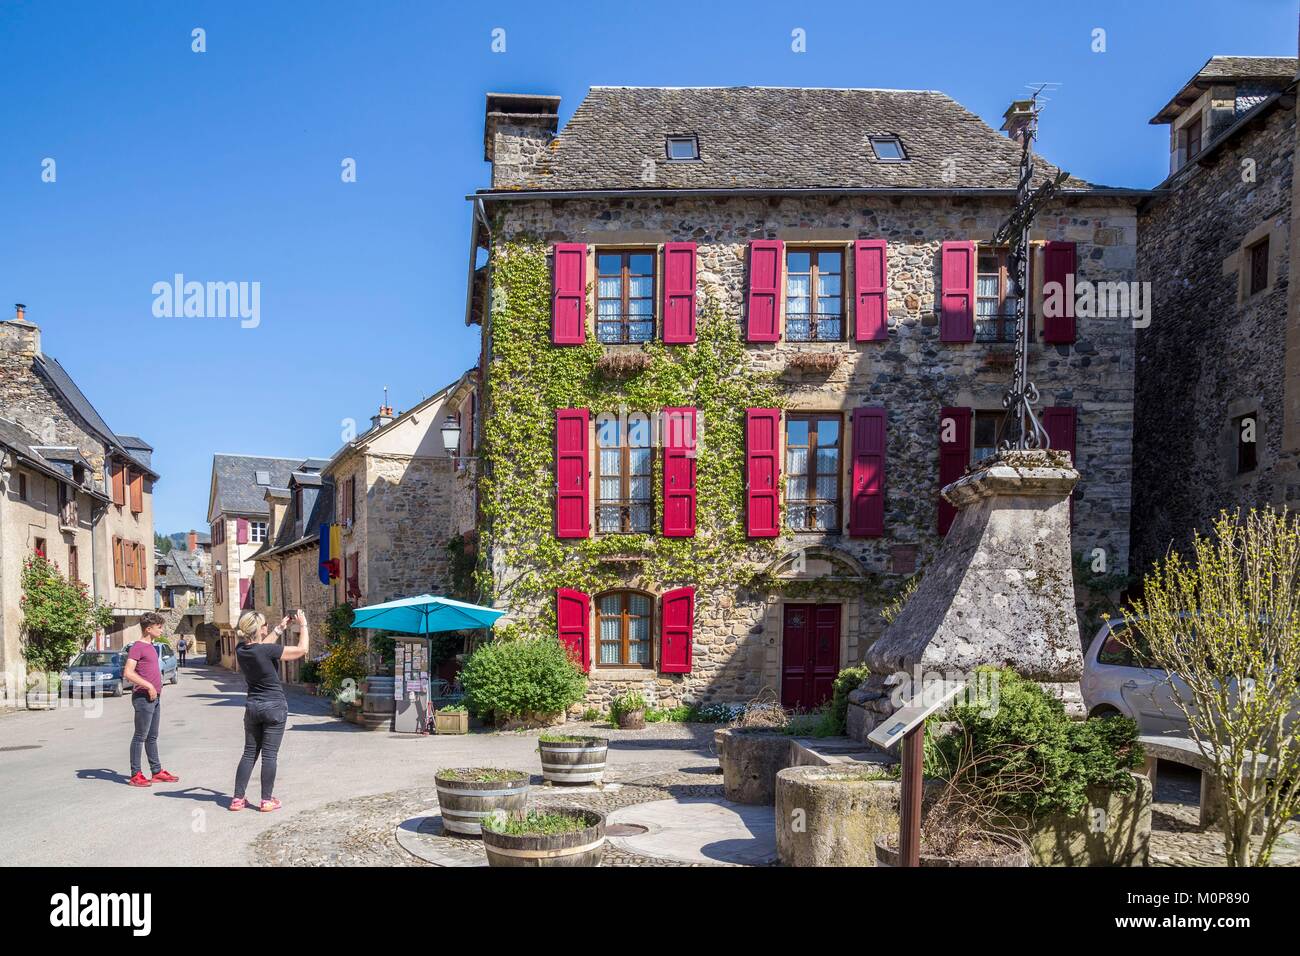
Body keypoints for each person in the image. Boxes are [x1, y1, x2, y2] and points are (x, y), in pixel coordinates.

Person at [229, 609, 309, 812]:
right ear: (259, 629)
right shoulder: (267, 651)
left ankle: (238, 799)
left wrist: (279, 628)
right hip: (274, 706)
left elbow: (261, 644)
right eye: (264, 624)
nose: (267, 627)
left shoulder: (241, 650)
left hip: (253, 707)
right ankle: (266, 800)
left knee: (249, 753)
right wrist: (304, 625)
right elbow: (302, 650)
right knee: (269, 755)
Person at [123, 612, 181, 788]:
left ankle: (156, 772)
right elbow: (128, 672)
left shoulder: (152, 646)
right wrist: (148, 686)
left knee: (152, 736)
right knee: (140, 736)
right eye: (159, 627)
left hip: (155, 697)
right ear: (149, 629)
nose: (162, 629)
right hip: (143, 696)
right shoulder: (138, 647)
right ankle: (135, 774)